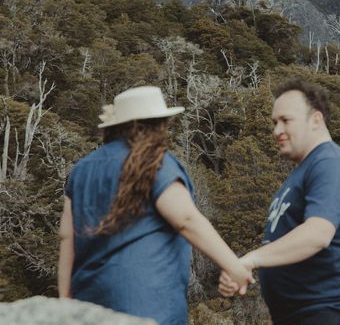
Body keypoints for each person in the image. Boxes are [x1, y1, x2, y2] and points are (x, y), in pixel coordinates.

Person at [58, 85, 253, 324]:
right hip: (149, 306)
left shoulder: (81, 171)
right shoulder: (156, 163)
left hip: (89, 307)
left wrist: (65, 301)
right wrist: (234, 267)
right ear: (158, 125)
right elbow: (187, 220)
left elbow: (67, 238)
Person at [219, 79, 340, 325]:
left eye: (286, 120)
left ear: (316, 119)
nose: (276, 131)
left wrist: (249, 260)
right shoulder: (299, 175)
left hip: (333, 311)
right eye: (274, 123)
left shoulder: (330, 162)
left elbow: (318, 234)